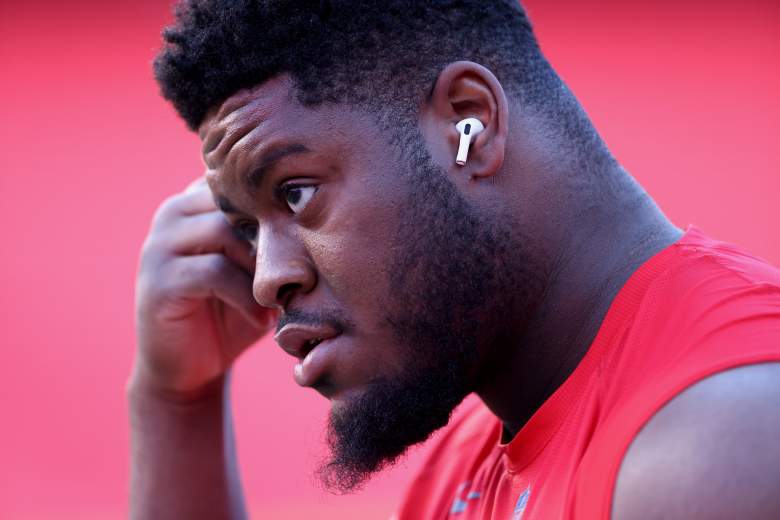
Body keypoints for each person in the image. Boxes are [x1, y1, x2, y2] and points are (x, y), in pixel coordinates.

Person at [127, 1, 780, 518]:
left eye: (296, 193)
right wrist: (177, 402)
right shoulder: (472, 453)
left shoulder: (718, 442)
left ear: (470, 124)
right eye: (245, 228)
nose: (268, 279)